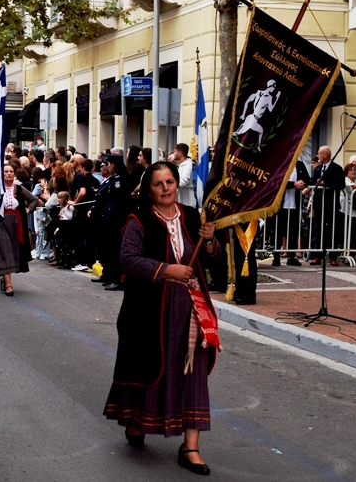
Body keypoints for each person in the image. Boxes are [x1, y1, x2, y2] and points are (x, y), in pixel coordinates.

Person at [103, 161, 218, 475]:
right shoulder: (138, 219)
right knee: (152, 366)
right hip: (150, 310)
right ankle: (138, 421)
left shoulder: (193, 217)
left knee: (192, 369)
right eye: (158, 183)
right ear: (148, 189)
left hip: (193, 306)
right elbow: (127, 260)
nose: (166, 188)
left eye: (170, 182)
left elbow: (212, 258)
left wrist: (208, 239)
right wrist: (168, 270)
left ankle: (190, 447)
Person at [0, 164, 39, 296]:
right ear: (2, 174)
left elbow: (34, 200)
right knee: (5, 251)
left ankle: (4, 279)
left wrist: (28, 210)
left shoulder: (19, 189)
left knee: (12, 252)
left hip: (16, 224)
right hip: (0, 222)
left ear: (14, 174)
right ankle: (9, 285)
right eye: (6, 171)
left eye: (11, 171)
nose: (9, 174)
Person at [90, 155, 129, 290]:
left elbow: (116, 199)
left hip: (116, 219)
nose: (108, 166)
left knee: (114, 250)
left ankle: (116, 278)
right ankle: (109, 275)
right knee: (108, 249)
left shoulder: (119, 180)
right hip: (108, 217)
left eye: (110, 164)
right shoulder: (112, 179)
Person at [307, 145, 344, 265]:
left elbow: (340, 184)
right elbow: (312, 181)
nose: (317, 156)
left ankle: (333, 256)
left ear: (325, 155)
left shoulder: (336, 168)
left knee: (332, 229)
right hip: (319, 202)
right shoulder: (318, 169)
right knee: (318, 229)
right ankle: (318, 255)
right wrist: (317, 183)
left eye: (319, 153)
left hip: (331, 203)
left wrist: (326, 183)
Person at [274, 157, 309, 266]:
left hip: (295, 204)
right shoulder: (280, 163)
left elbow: (307, 179)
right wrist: (293, 184)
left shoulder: (300, 165)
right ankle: (276, 257)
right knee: (278, 231)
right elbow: (277, 181)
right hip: (280, 205)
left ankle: (291, 256)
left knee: (293, 231)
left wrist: (303, 183)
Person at [174, 143, 195, 208]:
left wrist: (171, 182)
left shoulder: (188, 165)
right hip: (182, 200)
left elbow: (183, 182)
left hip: (187, 201)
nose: (174, 153)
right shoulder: (182, 165)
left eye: (175, 151)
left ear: (179, 153)